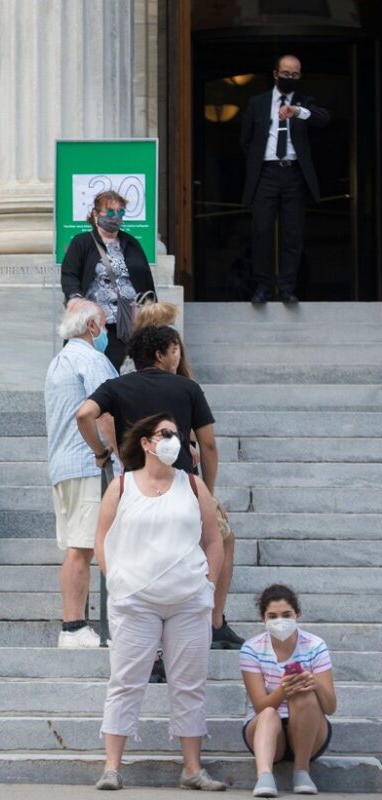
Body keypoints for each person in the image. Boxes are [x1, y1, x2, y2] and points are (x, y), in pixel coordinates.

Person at [76, 325, 243, 650]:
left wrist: (100, 452)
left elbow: (84, 414)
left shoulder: (116, 386)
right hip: (182, 489)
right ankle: (215, 622)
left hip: (135, 490)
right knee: (223, 538)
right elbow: (207, 446)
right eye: (174, 349)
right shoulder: (187, 387)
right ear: (160, 354)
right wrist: (207, 493)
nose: (178, 355)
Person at [93, 414, 225, 792]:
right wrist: (116, 580)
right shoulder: (121, 486)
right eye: (165, 434)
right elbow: (101, 538)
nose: (174, 441)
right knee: (126, 681)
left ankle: (192, 768)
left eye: (178, 435)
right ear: (147, 443)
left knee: (189, 684)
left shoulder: (194, 485)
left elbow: (214, 539)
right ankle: (112, 767)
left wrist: (209, 586)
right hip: (135, 600)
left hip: (188, 600)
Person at [44, 300, 118, 647]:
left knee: (78, 545)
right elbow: (106, 413)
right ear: (91, 327)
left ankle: (74, 626)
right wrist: (118, 455)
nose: (106, 333)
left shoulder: (59, 361)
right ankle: (74, 627)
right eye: (104, 325)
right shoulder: (91, 359)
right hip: (89, 463)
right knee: (84, 546)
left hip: (64, 464)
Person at [240, 54, 330, 305]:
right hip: (266, 173)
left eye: (295, 74)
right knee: (261, 231)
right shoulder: (257, 103)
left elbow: (323, 118)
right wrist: (259, 162)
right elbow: (245, 141)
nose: (290, 77)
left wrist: (297, 112)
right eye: (286, 73)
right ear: (275, 73)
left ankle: (287, 287)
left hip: (293, 173)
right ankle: (263, 287)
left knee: (292, 233)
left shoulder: (305, 102)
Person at [240, 584, 336, 797]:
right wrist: (282, 691)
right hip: (265, 731)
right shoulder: (251, 648)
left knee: (304, 693)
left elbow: (330, 707)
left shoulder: (315, 645)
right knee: (268, 713)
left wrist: (314, 683)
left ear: (297, 615)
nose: (280, 621)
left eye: (286, 615)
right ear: (263, 618)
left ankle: (302, 771)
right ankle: (264, 776)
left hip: (310, 732)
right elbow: (259, 705)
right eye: (272, 616)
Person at [61, 190, 157, 370]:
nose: (116, 217)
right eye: (110, 212)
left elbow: (145, 280)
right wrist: (74, 298)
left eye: (120, 212)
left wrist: (153, 312)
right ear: (96, 214)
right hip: (99, 324)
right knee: (101, 372)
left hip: (130, 322)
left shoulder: (131, 243)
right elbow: (69, 275)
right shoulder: (82, 242)